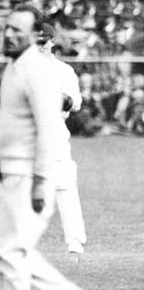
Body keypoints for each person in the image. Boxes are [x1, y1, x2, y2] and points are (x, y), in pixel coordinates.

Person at [0, 6, 98, 290]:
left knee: (11, 250)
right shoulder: (15, 67)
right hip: (11, 169)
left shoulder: (38, 72)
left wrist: (42, 180)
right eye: (7, 28)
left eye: (18, 30)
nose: (9, 34)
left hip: (30, 172)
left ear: (34, 37)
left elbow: (47, 129)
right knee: (10, 250)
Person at [41, 29, 87, 254]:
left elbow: (76, 102)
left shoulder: (63, 70)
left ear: (51, 42)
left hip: (54, 130)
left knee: (65, 184)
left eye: (43, 41)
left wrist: (64, 101)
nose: (39, 46)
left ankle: (75, 243)